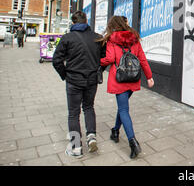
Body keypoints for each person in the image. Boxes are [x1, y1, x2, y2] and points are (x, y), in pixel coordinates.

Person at [99, 15, 154, 159]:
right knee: (122, 107)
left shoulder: (112, 39)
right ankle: (115, 131)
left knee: (123, 109)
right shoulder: (134, 38)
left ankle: (133, 142)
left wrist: (99, 61)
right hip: (133, 78)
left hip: (119, 79)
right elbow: (142, 58)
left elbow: (110, 59)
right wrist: (149, 77)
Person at [52, 11, 103, 158]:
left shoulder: (67, 38)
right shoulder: (97, 38)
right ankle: (91, 136)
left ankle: (76, 147)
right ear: (86, 21)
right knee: (89, 107)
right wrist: (97, 70)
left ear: (73, 23)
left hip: (73, 80)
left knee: (73, 113)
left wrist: (65, 74)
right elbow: (104, 58)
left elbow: (56, 60)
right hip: (91, 80)